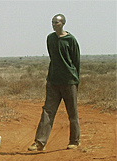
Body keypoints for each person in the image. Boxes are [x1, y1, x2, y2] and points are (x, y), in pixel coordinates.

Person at [28, 14, 80, 151]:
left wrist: (75, 80)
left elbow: (76, 61)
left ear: (63, 23)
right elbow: (53, 57)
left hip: (69, 81)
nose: (54, 24)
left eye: (56, 22)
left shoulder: (71, 40)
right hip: (53, 81)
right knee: (47, 111)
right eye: (52, 22)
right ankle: (39, 142)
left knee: (72, 112)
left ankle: (74, 141)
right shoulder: (50, 38)